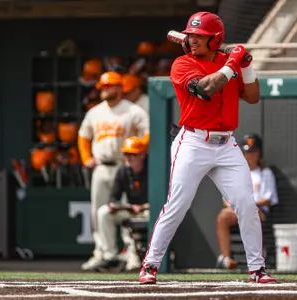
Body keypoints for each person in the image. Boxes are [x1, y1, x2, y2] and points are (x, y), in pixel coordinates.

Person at [139, 12, 277, 284]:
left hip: (226, 143)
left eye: (199, 37)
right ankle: (150, 264)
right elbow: (206, 88)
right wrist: (233, 64)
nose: (191, 40)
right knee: (177, 205)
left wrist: (246, 65)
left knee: (247, 206)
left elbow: (252, 96)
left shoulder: (230, 62)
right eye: (190, 35)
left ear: (215, 40)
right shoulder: (182, 64)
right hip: (193, 141)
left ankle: (257, 269)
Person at [78, 71, 150, 271]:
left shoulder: (133, 111)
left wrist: (137, 152)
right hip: (101, 166)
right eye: (102, 87)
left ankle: (132, 254)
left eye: (108, 86)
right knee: (99, 211)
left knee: (128, 210)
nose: (104, 90)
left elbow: (148, 133)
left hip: (125, 165)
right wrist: (85, 158)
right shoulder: (95, 112)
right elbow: (83, 136)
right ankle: (102, 253)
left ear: (119, 88)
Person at [216, 133, 278, 269]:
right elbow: (226, 199)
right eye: (246, 152)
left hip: (258, 211)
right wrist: (238, 206)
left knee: (253, 213)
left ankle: (257, 262)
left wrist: (248, 205)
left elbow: (268, 198)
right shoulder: (236, 173)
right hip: (237, 210)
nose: (248, 156)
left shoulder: (265, 172)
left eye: (252, 152)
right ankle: (226, 259)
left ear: (259, 154)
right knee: (223, 216)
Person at [94, 137, 149, 272]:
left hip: (150, 210)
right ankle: (110, 256)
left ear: (142, 155)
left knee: (152, 214)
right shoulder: (123, 171)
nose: (128, 158)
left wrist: (143, 207)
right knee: (104, 212)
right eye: (126, 154)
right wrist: (118, 206)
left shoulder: (152, 169)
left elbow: (163, 198)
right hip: (131, 209)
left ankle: (144, 257)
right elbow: (114, 198)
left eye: (132, 154)